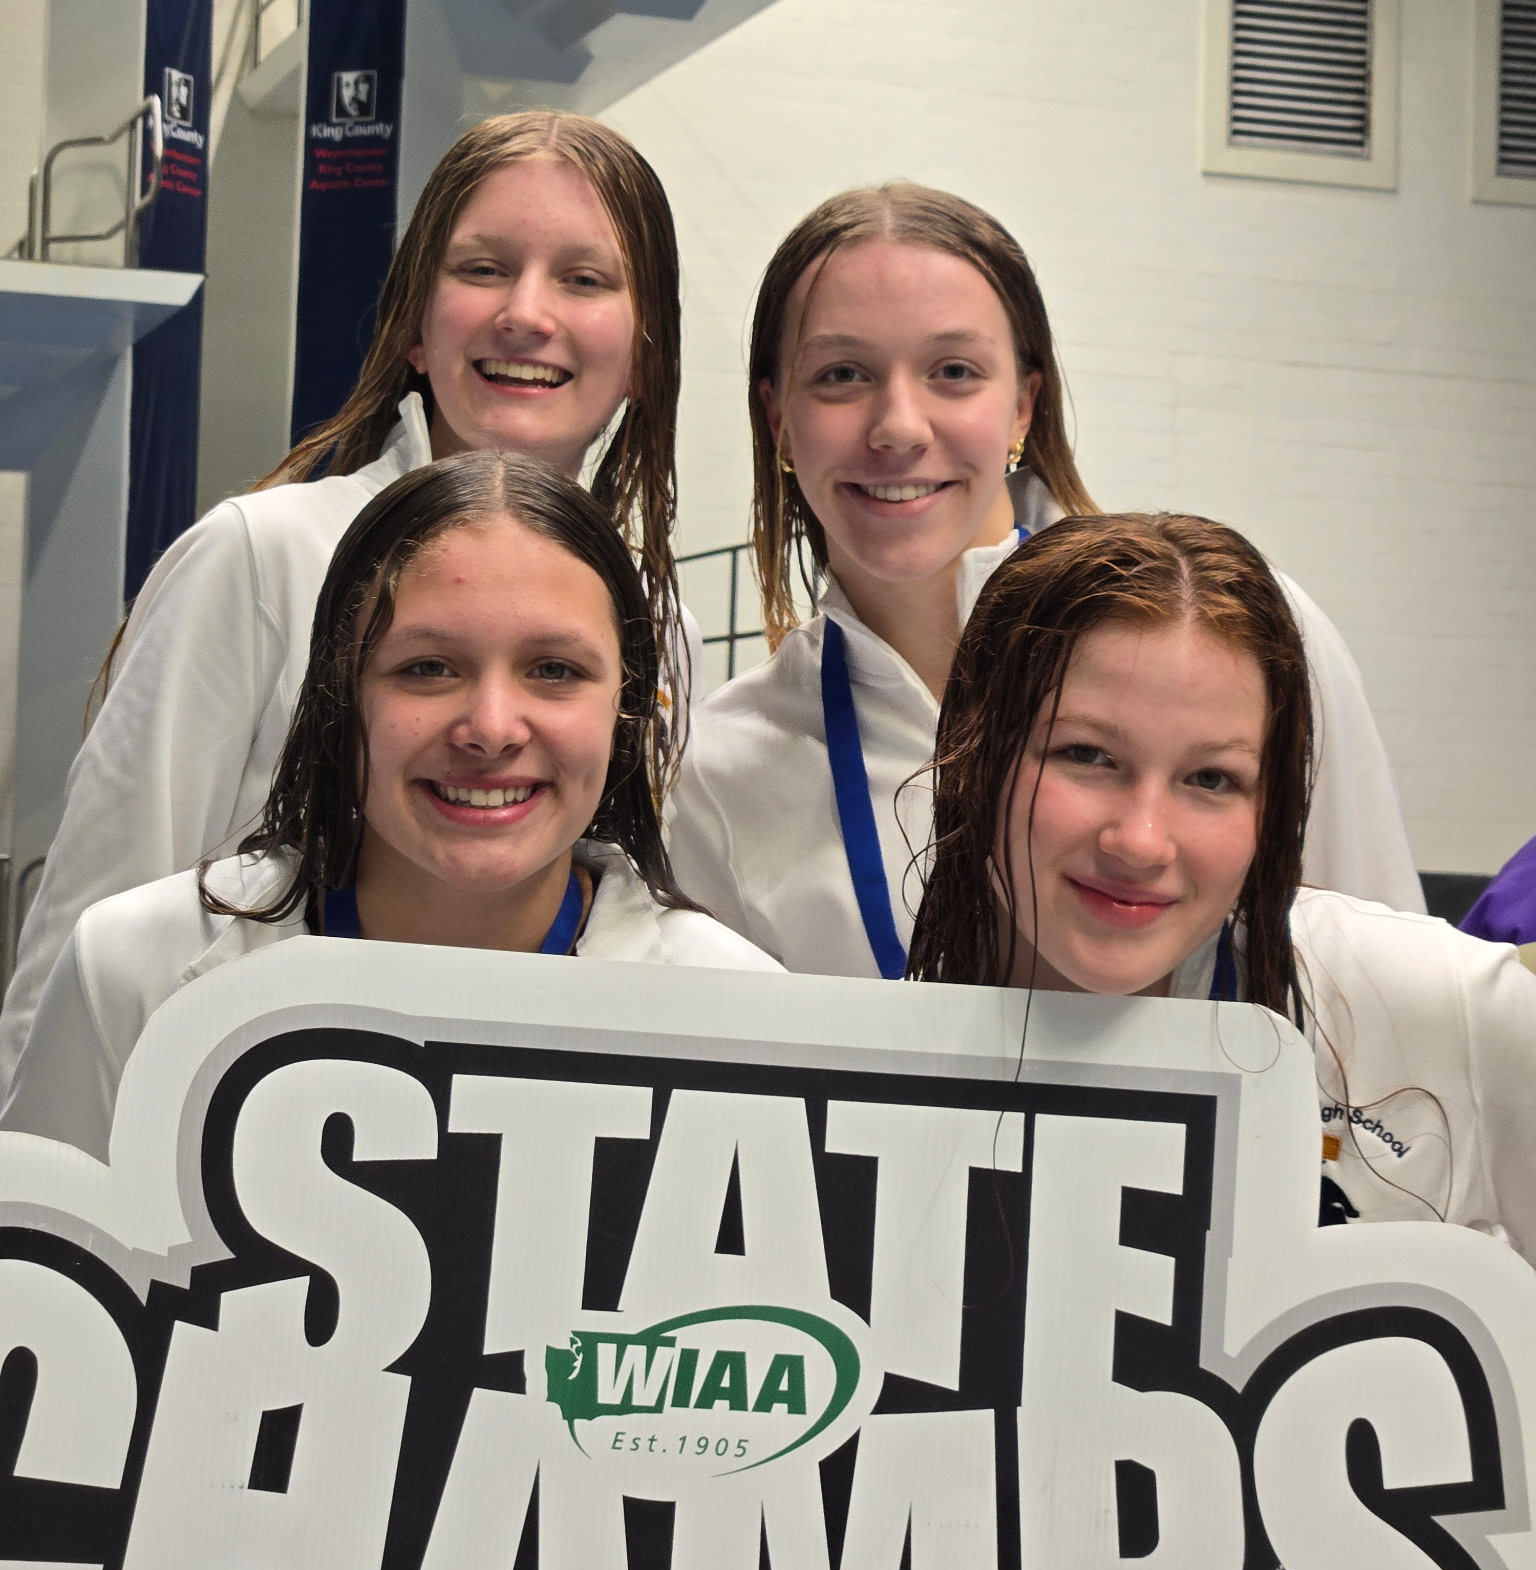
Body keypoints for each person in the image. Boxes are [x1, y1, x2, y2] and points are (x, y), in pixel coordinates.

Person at [0, 109, 697, 1096]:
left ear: (646, 347)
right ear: (414, 322)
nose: (526, 312)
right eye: (483, 268)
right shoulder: (259, 557)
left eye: (584, 279)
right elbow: (83, 954)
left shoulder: (659, 625)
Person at [668, 183, 1423, 977]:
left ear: (1024, 406)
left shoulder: (1254, 640)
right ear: (779, 420)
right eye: (842, 374)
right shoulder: (723, 774)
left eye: (953, 370)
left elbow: (1378, 990)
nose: (898, 427)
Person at [2, 453, 779, 1159]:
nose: (491, 729)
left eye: (554, 670)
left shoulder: (746, 1014)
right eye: (428, 667)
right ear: (340, 695)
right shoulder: (132, 973)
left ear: (626, 709)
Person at [906, 512, 1536, 1248]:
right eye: (1086, 755)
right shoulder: (865, 1062)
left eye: (1211, 778)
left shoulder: (1425, 1005)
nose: (1141, 841)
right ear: (975, 755)